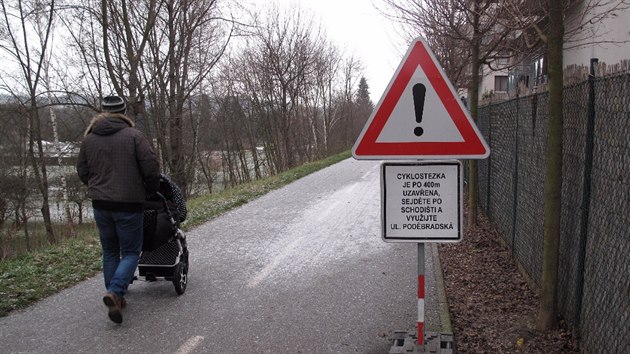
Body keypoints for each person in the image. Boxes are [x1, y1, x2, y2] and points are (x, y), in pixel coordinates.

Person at [77, 95, 159, 324]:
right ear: (124, 112)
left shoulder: (89, 139)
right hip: (129, 203)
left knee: (110, 251)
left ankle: (116, 297)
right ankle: (115, 291)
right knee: (132, 251)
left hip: (100, 204)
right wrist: (149, 191)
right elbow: (151, 168)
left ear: (102, 112)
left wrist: (97, 186)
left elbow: (82, 171)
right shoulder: (134, 136)